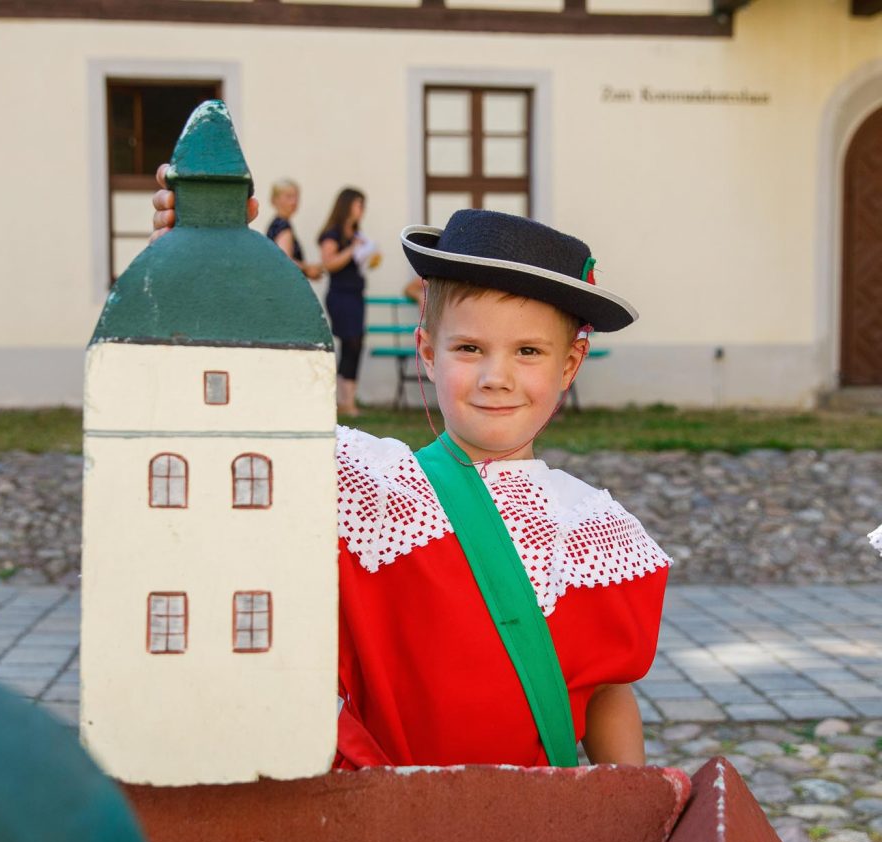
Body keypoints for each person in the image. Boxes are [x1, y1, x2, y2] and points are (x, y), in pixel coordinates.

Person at [150, 185, 669, 770]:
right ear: (428, 350)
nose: (497, 377)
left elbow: (605, 689)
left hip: (530, 839)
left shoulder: (602, 534)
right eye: (470, 347)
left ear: (569, 365)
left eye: (528, 351)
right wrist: (202, 266)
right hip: (379, 827)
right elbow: (246, 420)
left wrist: (634, 815)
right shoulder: (374, 489)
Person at [318, 188, 380, 417]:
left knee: (355, 345)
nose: (361, 210)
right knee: (350, 342)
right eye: (358, 204)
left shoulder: (356, 233)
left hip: (355, 294)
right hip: (340, 296)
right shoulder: (332, 234)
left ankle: (348, 401)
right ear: (346, 206)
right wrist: (353, 249)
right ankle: (345, 401)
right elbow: (329, 263)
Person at [266, 178, 322, 280]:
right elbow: (285, 261)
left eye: (296, 197)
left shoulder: (276, 224)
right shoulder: (282, 226)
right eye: (288, 197)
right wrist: (308, 269)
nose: (294, 201)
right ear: (275, 199)